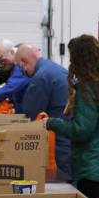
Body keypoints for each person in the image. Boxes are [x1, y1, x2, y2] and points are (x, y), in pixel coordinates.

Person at [46, 35, 99, 198]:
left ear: (79, 60)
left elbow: (82, 130)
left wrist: (52, 123)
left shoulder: (87, 88)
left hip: (92, 167)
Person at [15, 44, 72, 178]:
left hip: (57, 145)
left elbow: (31, 117)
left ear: (23, 63)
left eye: (19, 66)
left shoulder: (40, 78)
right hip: (69, 138)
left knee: (59, 188)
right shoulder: (57, 69)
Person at [0, 39, 29, 112]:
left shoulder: (21, 67)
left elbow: (9, 88)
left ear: (12, 53)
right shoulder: (13, 68)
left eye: (0, 58)